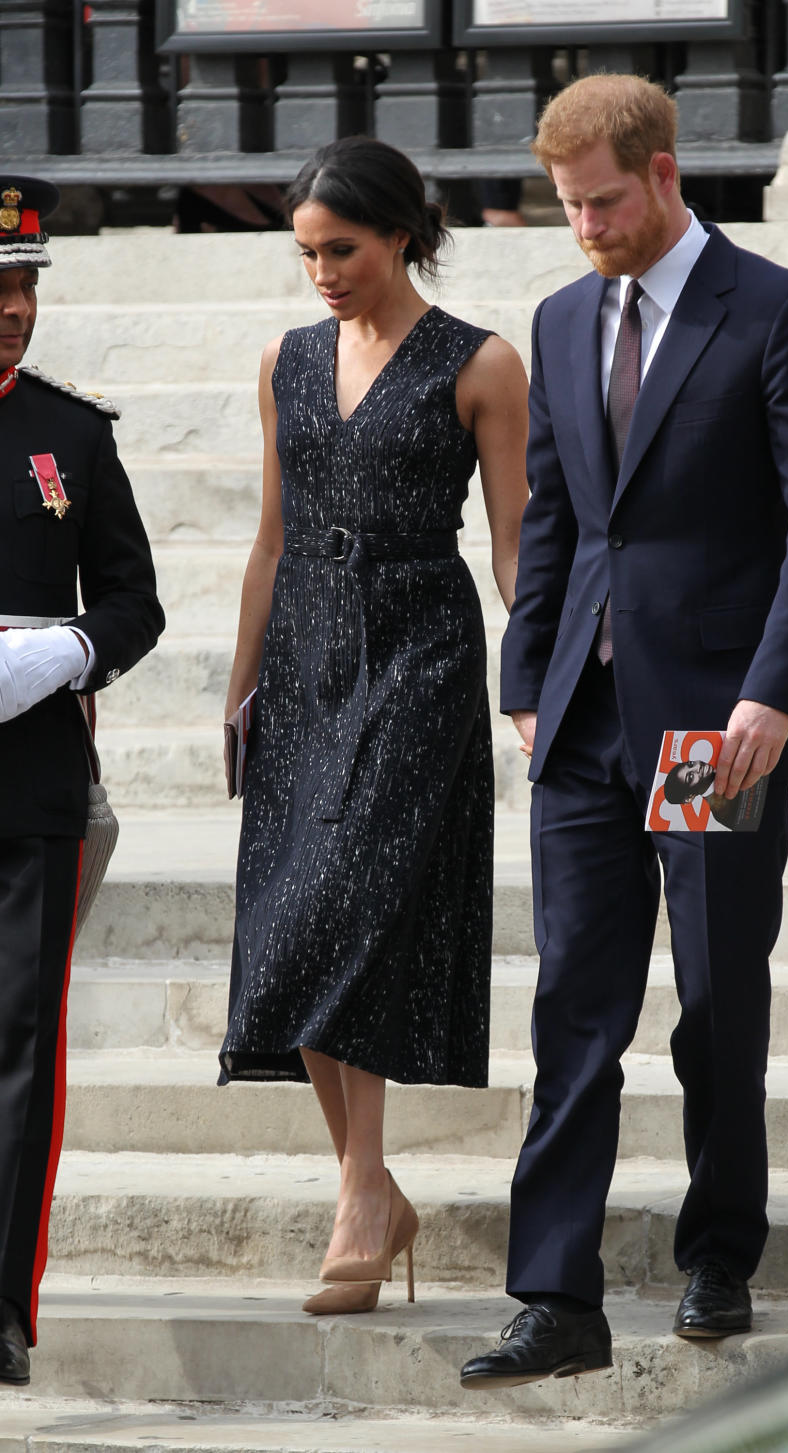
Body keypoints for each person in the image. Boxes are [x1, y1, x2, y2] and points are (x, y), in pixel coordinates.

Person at [460, 73, 788, 1389]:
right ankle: (555, 1295)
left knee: (714, 996)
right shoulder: (564, 316)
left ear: (666, 172)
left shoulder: (777, 312)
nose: (585, 228)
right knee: (575, 1001)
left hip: (713, 728)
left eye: (604, 202)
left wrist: (773, 689)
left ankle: (720, 1254)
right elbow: (559, 518)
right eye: (567, 207)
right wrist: (527, 673)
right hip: (582, 723)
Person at [218, 135, 529, 1316]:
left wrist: (539, 674)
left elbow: (515, 547)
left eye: (341, 249)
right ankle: (372, 1188)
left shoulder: (482, 362)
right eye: (306, 255)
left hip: (419, 652)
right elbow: (269, 537)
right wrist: (240, 686)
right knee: (289, 918)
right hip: (301, 656)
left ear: (403, 232)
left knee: (346, 897)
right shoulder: (285, 359)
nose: (324, 274)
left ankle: (360, 1189)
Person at [0, 176, 164, 1386]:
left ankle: (2, 1303)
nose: (14, 310)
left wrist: (67, 650)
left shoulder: (71, 432)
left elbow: (134, 598)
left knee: (19, 1038)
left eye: (25, 287)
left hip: (31, 775)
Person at [662, 759, 743, 830]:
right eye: (690, 776)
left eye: (691, 764)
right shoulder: (722, 810)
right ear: (689, 797)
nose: (697, 767)